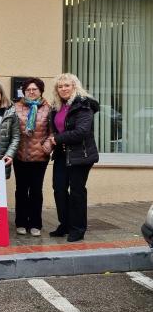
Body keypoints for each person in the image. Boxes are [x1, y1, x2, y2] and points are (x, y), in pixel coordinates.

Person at [47, 73, 99, 243]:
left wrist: (57, 139)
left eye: (67, 85)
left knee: (77, 192)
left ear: (74, 86)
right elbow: (56, 129)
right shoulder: (57, 106)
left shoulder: (84, 105)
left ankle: (78, 229)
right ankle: (65, 224)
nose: (63, 89)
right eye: (60, 86)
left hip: (80, 155)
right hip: (62, 154)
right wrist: (51, 140)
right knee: (59, 189)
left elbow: (81, 131)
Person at [13, 77, 53, 237]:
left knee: (36, 191)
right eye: (28, 89)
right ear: (23, 92)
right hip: (20, 156)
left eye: (34, 89)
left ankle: (35, 223)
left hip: (39, 157)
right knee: (21, 190)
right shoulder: (15, 107)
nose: (31, 92)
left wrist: (46, 147)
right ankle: (21, 222)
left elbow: (53, 132)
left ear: (40, 91)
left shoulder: (49, 109)